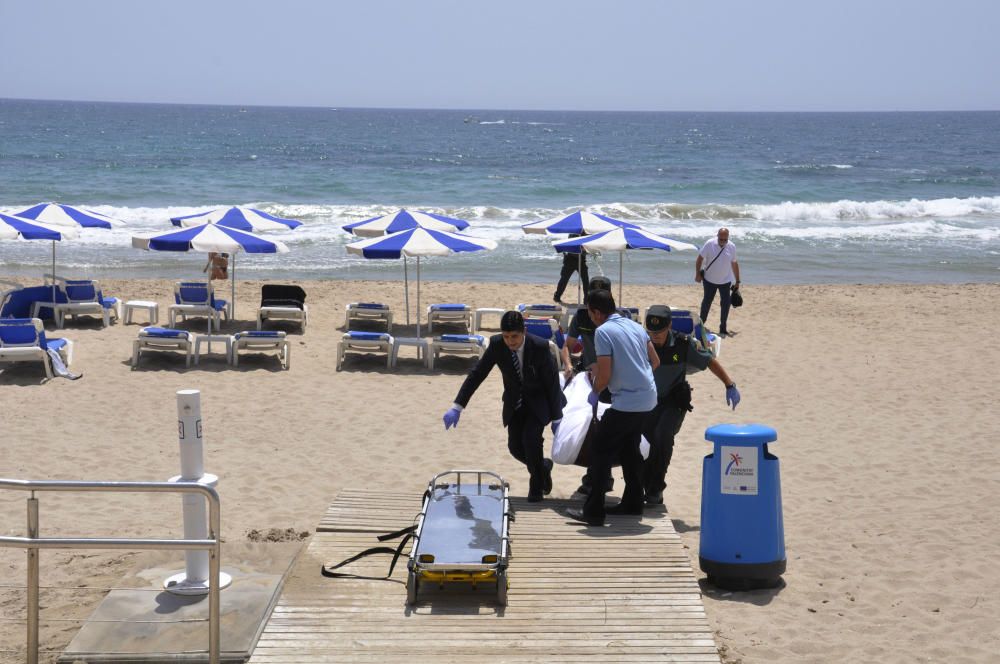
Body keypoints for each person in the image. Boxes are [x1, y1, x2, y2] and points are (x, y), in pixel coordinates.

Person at [443, 311, 565, 502]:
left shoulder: (540, 347)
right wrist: (457, 406)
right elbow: (477, 374)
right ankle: (542, 467)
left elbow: (552, 384)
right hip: (514, 403)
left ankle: (536, 487)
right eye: (506, 336)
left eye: (514, 336)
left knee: (531, 439)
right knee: (515, 447)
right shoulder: (497, 345)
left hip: (539, 402)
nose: (510, 341)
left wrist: (557, 417)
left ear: (523, 331)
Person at [564, 289, 659, 527]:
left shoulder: (603, 332)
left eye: (590, 313)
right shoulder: (636, 326)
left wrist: (595, 392)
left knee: (600, 451)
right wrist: (637, 381)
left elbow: (604, 375)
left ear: (596, 312)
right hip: (648, 399)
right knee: (630, 450)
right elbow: (655, 362)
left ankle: (593, 512)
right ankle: (633, 503)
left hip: (626, 402)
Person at [641, 305, 741, 507]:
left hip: (673, 401)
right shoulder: (640, 342)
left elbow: (709, 362)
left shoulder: (682, 344)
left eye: (659, 332)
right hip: (646, 402)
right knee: (645, 443)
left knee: (662, 436)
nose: (656, 337)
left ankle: (656, 489)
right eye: (651, 332)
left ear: (669, 326)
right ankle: (647, 485)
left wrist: (729, 384)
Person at [560, 275, 615, 496]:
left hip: (613, 379)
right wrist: (568, 364)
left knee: (608, 429)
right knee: (593, 428)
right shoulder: (582, 317)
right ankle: (597, 477)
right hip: (591, 379)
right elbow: (568, 346)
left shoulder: (619, 318)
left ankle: (600, 477)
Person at [695, 227, 740, 336]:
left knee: (726, 304)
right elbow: (699, 259)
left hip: (725, 281)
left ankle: (723, 328)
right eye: (721, 239)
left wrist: (738, 281)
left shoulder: (731, 246)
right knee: (706, 302)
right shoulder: (709, 244)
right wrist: (697, 274)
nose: (723, 242)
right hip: (709, 280)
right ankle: (701, 324)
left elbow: (734, 264)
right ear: (718, 236)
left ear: (728, 238)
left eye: (725, 240)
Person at [553, 236, 589, 304]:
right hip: (570, 259)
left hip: (581, 260)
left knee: (586, 280)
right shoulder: (573, 233)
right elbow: (569, 244)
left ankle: (586, 300)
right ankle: (557, 296)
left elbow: (588, 249)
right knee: (564, 279)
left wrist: (586, 250)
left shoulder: (586, 234)